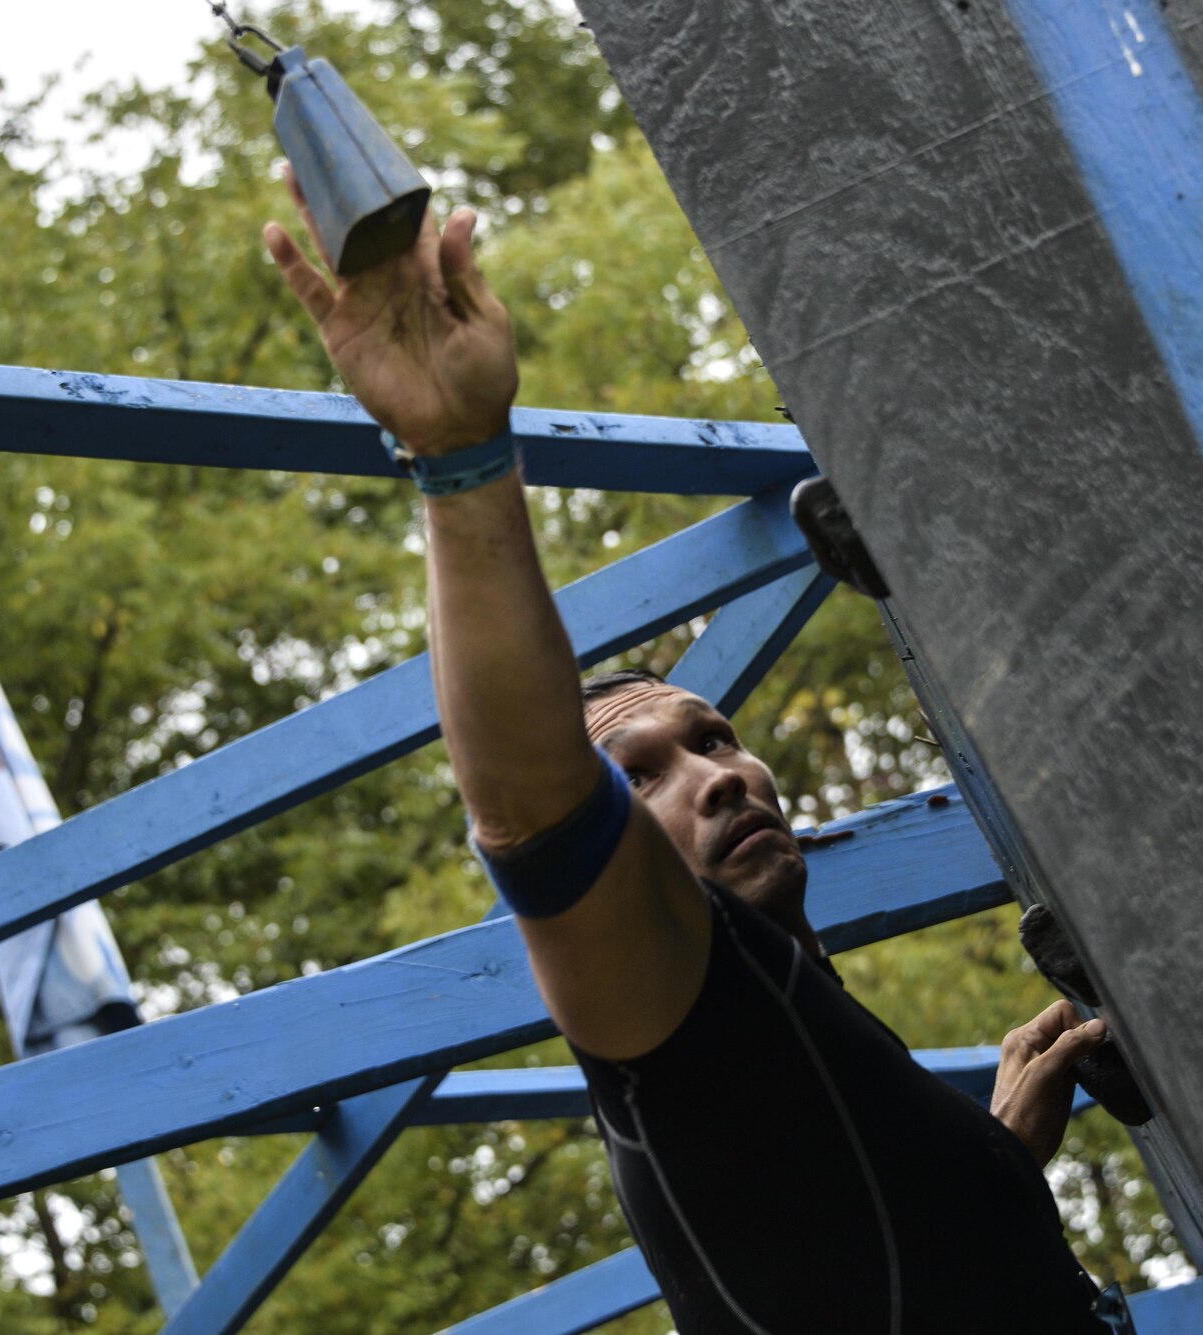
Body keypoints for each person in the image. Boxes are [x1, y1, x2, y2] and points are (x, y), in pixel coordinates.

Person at [263, 179, 1116, 1332]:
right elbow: (529, 809)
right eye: (642, 776)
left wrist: (993, 1166)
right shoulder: (674, 1016)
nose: (714, 773)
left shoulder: (786, 1037)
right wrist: (459, 457)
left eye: (713, 737)